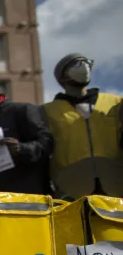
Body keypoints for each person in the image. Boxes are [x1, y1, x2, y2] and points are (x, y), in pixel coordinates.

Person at [42, 53, 123, 199]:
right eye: (76, 64)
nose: (84, 67)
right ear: (62, 76)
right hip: (71, 187)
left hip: (115, 182)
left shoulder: (116, 103)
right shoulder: (46, 111)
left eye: (86, 63)